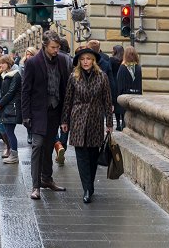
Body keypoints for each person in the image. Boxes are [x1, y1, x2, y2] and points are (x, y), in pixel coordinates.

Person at [21, 30, 70, 200]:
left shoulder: (63, 61)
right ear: (45, 46)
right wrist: (25, 115)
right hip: (38, 112)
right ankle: (35, 186)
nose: (56, 50)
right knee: (37, 146)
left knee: (49, 146)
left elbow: (65, 89)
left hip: (55, 110)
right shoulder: (33, 63)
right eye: (53, 47)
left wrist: (65, 116)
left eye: (57, 47)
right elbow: (25, 90)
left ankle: (47, 179)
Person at [61, 47, 113, 203]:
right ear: (79, 62)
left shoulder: (102, 77)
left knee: (92, 156)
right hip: (78, 119)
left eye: (88, 59)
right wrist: (64, 121)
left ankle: (90, 185)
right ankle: (87, 189)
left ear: (94, 61)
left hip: (95, 120)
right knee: (81, 157)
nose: (85, 62)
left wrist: (109, 123)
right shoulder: (74, 77)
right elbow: (68, 100)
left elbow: (107, 100)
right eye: (83, 59)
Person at [0, 55, 22, 164]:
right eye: (0, 63)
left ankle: (14, 156)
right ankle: (13, 154)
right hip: (7, 107)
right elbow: (2, 92)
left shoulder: (15, 75)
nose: (0, 65)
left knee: (10, 132)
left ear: (8, 63)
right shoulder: (5, 75)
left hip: (12, 108)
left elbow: (10, 92)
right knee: (8, 131)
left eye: (3, 63)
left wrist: (0, 103)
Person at [53, 37, 74, 165]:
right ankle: (63, 147)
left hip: (55, 96)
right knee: (65, 123)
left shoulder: (54, 59)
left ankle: (58, 145)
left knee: (53, 124)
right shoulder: (70, 60)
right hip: (68, 96)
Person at [116, 46, 142, 130]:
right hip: (137, 96)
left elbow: (120, 84)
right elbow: (139, 84)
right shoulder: (138, 68)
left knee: (125, 121)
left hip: (125, 96)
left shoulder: (122, 67)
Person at [19, 47, 37, 145]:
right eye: (27, 54)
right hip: (26, 92)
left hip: (35, 92)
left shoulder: (37, 64)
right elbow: (21, 80)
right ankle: (29, 133)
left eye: (31, 54)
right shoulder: (22, 65)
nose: (29, 56)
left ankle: (33, 133)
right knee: (26, 115)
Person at [110, 45, 124, 130]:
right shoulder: (123, 60)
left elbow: (110, 71)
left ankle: (118, 123)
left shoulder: (111, 60)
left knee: (116, 103)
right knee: (122, 104)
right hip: (122, 83)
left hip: (114, 83)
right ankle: (123, 123)